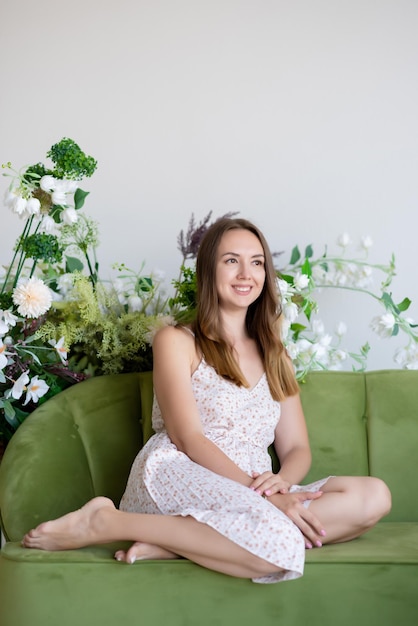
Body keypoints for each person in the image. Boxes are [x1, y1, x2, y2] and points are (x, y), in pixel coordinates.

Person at [22, 217, 391, 583]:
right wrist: (264, 498)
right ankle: (106, 521)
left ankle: (176, 542)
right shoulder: (176, 341)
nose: (246, 273)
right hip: (182, 471)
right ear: (208, 271)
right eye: (231, 260)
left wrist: (277, 486)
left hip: (253, 485)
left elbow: (296, 447)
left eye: (257, 262)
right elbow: (188, 437)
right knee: (276, 539)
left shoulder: (277, 354)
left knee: (373, 496)